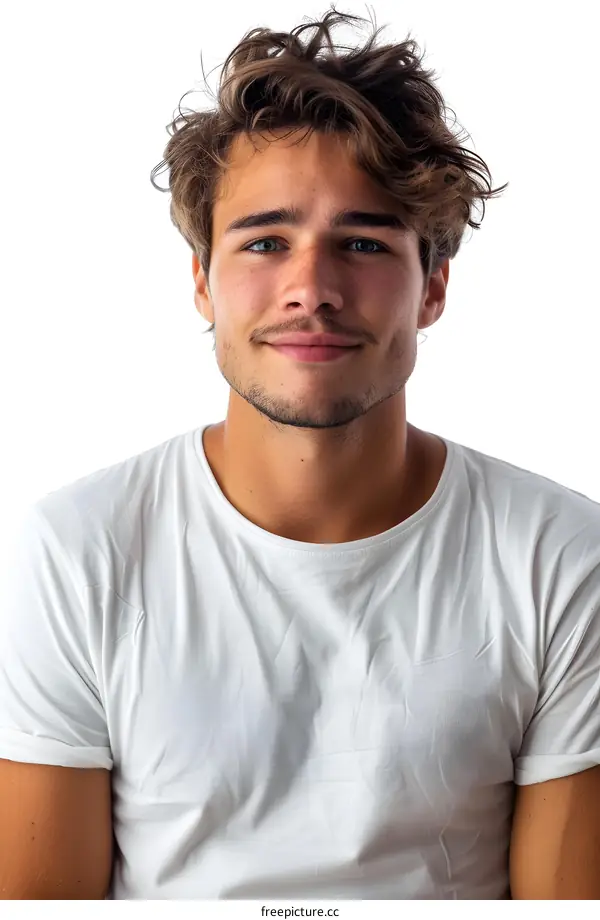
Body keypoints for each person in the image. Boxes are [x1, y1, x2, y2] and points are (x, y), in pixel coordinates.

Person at [1, 7, 599, 901]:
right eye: (265, 241)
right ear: (202, 277)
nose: (310, 290)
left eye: (361, 243)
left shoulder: (559, 555)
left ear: (433, 285)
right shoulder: (76, 552)